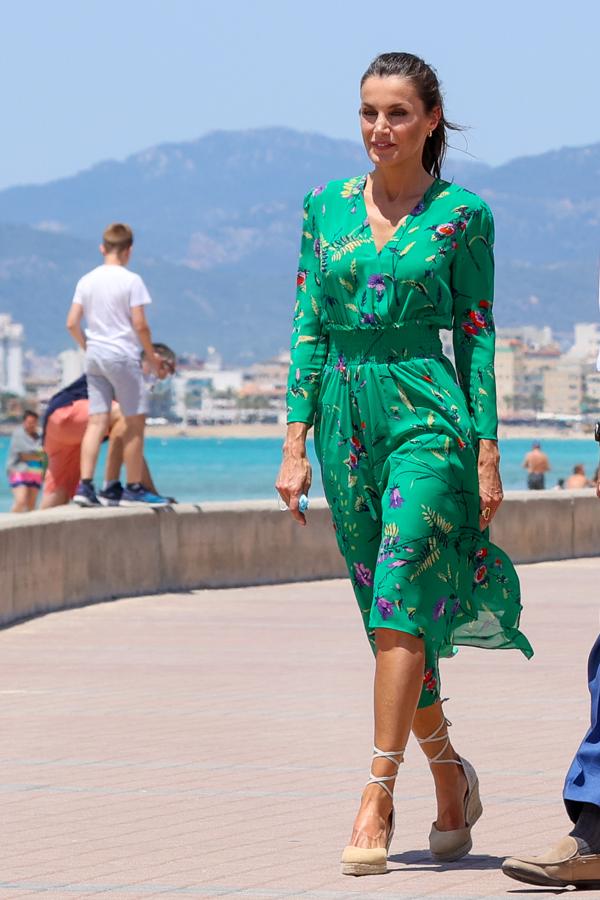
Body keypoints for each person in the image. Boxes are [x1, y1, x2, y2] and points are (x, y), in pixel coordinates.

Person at [276, 51, 532, 877]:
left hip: (427, 410)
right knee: (387, 617)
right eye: (366, 113)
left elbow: (479, 333)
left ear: (430, 121)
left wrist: (487, 447)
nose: (378, 129)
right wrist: (292, 439)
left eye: (395, 113)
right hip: (345, 418)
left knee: (398, 596)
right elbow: (309, 322)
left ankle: (376, 793)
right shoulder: (323, 206)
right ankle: (450, 775)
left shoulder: (465, 215)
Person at [66, 222, 165, 506]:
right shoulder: (131, 280)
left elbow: (71, 322)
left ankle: (85, 487)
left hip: (95, 355)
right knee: (134, 422)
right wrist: (151, 356)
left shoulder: (86, 280)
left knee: (97, 421)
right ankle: (133, 487)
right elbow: (140, 324)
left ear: (103, 247)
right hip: (122, 354)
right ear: (129, 250)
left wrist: (88, 346)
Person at [40, 344, 176, 508]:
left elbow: (130, 448)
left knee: (58, 493)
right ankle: (110, 488)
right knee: (127, 416)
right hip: (71, 410)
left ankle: (31, 532)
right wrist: (152, 492)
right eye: (168, 367)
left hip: (58, 425)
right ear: (156, 359)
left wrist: (153, 493)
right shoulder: (131, 369)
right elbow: (132, 442)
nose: (167, 375)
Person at [6, 410, 46, 512]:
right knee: (21, 501)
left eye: (34, 422)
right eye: (29, 422)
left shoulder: (41, 435)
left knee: (31, 506)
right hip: (18, 471)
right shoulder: (18, 434)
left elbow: (46, 453)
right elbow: (24, 456)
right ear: (24, 422)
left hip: (36, 472)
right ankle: (9, 525)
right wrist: (40, 455)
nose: (32, 425)